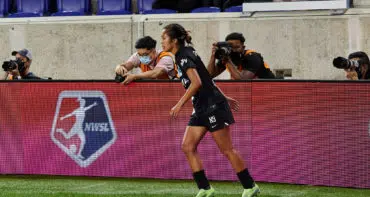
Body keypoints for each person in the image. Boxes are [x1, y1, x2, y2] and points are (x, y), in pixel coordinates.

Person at [161, 23, 260, 197]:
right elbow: (207, 78)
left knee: (227, 149)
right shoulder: (185, 53)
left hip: (212, 106)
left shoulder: (184, 55)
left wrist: (179, 104)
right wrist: (224, 96)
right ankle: (206, 189)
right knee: (187, 146)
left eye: (164, 38)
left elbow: (197, 82)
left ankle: (250, 186)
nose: (162, 42)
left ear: (174, 40)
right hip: (202, 107)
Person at [207, 32, 275, 80]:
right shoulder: (227, 57)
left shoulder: (252, 57)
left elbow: (242, 80)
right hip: (252, 91)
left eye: (237, 47)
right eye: (231, 47)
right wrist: (213, 56)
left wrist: (228, 61)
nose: (234, 50)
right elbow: (209, 75)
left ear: (243, 47)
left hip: (270, 88)